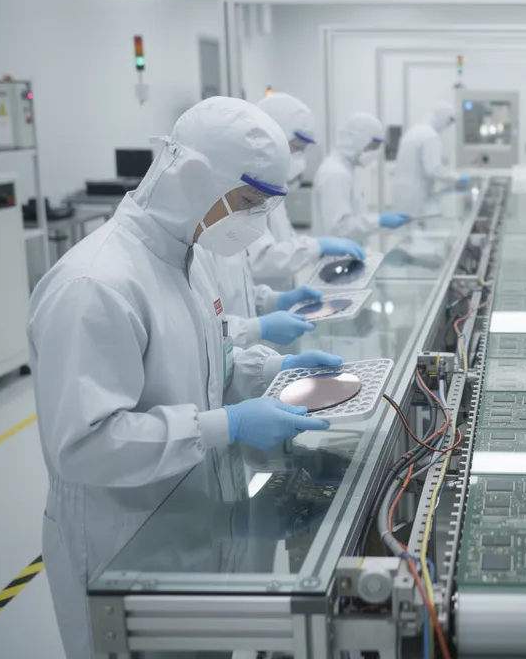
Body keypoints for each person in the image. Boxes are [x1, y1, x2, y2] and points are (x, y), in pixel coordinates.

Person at [28, 97, 344, 659]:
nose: (255, 221)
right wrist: (225, 426)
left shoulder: (186, 261)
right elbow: (83, 444)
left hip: (187, 515)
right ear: (198, 178)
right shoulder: (95, 284)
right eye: (249, 203)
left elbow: (208, 359)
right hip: (119, 542)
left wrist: (272, 370)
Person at [250, 92, 366, 284]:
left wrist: (310, 248)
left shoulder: (272, 187)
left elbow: (284, 238)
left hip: (278, 291)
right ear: (270, 138)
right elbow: (260, 259)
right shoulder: (247, 191)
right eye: (296, 147)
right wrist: (316, 247)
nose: (301, 158)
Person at [312, 111, 410, 237]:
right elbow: (340, 227)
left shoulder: (345, 168)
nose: (375, 152)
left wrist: (377, 221)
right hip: (336, 255)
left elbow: (352, 217)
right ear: (357, 140)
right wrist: (379, 221)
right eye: (373, 145)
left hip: (346, 250)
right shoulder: (336, 173)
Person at [391, 100, 469, 217]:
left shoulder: (416, 130)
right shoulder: (430, 136)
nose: (446, 127)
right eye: (447, 123)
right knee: (413, 225)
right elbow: (433, 169)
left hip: (401, 189)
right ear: (442, 117)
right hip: (415, 192)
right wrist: (457, 178)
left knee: (403, 225)